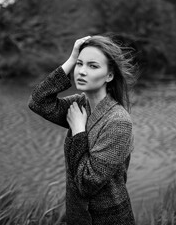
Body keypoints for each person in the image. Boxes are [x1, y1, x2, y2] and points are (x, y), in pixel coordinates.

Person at [28, 35, 137, 225]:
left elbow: (87, 183)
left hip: (108, 219)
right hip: (77, 216)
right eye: (80, 64)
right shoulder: (80, 104)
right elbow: (38, 102)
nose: (82, 71)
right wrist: (71, 58)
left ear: (109, 76)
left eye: (93, 66)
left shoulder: (118, 121)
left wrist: (78, 131)